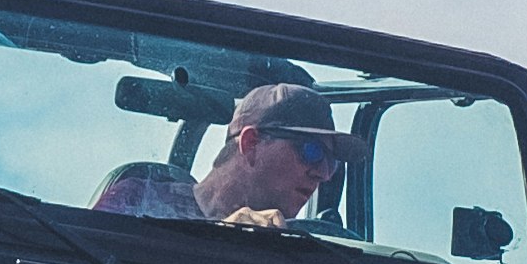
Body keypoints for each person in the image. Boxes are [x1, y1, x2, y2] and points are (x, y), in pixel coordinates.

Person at [91, 81, 368, 224]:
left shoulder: (306, 250)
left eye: (332, 162)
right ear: (250, 144)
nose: (323, 173)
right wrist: (221, 235)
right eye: (311, 151)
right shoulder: (140, 200)